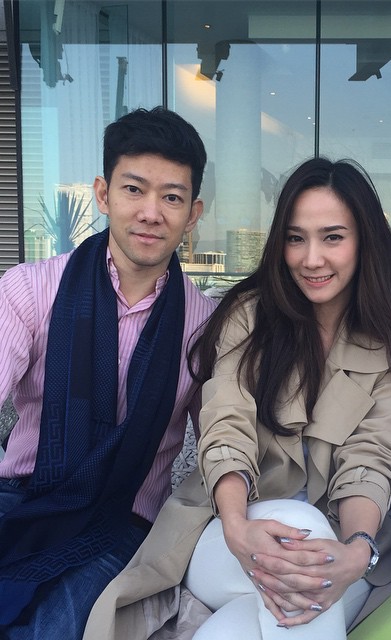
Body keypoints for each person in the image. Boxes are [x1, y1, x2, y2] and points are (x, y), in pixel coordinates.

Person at [83, 157, 391, 640]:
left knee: (243, 625)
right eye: (296, 238)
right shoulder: (249, 319)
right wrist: (236, 525)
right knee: (299, 527)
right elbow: (226, 427)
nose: (311, 258)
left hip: (335, 548)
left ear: (364, 241)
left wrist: (357, 550)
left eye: (333, 237)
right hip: (224, 536)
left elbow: (371, 458)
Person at [0, 107, 216, 638]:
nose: (151, 213)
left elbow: (222, 438)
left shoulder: (206, 325)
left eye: (172, 197)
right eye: (133, 189)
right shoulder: (30, 290)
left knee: (55, 627)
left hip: (122, 519)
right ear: (103, 194)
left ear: (193, 213)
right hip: (22, 495)